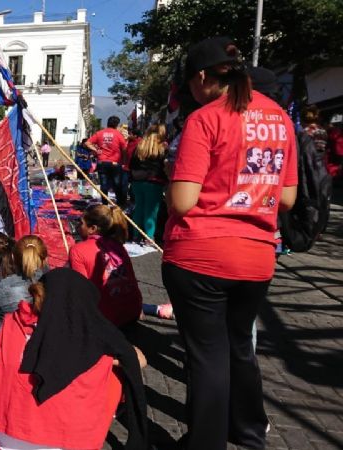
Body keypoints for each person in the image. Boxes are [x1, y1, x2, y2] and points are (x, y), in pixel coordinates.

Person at [162, 37, 298, 450]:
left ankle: (205, 442)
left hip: (201, 254)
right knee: (239, 344)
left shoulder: (206, 119)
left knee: (207, 356)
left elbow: (184, 202)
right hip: (257, 258)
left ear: (201, 77)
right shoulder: (279, 117)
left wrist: (172, 184)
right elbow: (287, 199)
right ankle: (249, 431)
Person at [0, 268, 149, 450]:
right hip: (60, 440)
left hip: (4, 431)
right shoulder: (91, 335)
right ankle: (100, 420)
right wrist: (104, 358)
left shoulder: (13, 321)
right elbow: (139, 360)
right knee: (115, 374)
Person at [69, 204, 143, 327]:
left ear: (92, 228)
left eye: (81, 223)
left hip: (106, 318)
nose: (77, 226)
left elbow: (81, 292)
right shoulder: (118, 245)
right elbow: (132, 280)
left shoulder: (78, 250)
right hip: (132, 311)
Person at [130, 124, 168, 242]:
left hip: (137, 181)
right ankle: (149, 237)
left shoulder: (139, 146)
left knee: (139, 208)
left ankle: (136, 234)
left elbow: (131, 164)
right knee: (151, 211)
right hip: (154, 182)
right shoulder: (162, 147)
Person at [85, 115, 128, 206]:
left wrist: (96, 150)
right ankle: (119, 205)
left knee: (104, 185)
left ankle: (104, 204)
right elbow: (124, 149)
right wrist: (124, 161)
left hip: (102, 162)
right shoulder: (118, 135)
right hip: (115, 163)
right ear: (116, 125)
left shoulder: (100, 133)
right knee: (117, 185)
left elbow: (87, 143)